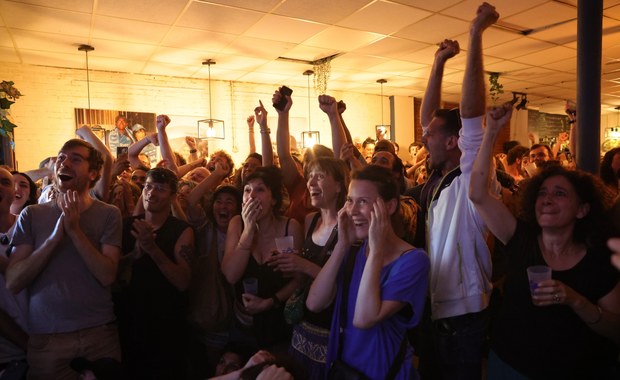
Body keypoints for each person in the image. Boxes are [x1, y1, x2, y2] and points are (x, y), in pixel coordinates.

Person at [470, 103, 620, 379]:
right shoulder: (520, 239)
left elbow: (616, 329)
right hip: (510, 366)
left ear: (582, 209)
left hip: (577, 371)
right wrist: (490, 131)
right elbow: (478, 194)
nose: (547, 199)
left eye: (560, 193)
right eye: (542, 193)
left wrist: (575, 301)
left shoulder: (599, 259)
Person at [415, 4, 500, 379]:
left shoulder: (472, 175)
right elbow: (429, 120)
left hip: (464, 313)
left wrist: (475, 33)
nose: (423, 139)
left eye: (431, 136)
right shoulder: (439, 178)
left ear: (454, 142)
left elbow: (470, 116)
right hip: (438, 308)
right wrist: (437, 64)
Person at [6, 139, 122, 379]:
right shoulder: (32, 214)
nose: (64, 162)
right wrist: (54, 238)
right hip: (48, 340)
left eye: (75, 159)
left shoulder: (109, 214)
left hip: (98, 335)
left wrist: (75, 231)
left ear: (93, 173)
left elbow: (107, 275)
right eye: (61, 158)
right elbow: (14, 281)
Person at [306, 165, 429, 379]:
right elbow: (314, 303)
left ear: (389, 206)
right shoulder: (353, 250)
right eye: (350, 201)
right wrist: (342, 244)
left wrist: (376, 249)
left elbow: (365, 318)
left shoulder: (413, 261)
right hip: (344, 369)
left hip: (384, 372)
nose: (352, 211)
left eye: (363, 201)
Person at [268, 157, 349, 378]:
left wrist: (303, 264)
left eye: (320, 176)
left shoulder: (348, 226)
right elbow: (306, 276)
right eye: (310, 176)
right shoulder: (311, 220)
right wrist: (292, 263)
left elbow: (346, 282)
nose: (311, 182)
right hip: (303, 328)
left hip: (332, 330)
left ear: (340, 185)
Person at [118, 167, 194, 379]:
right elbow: (111, 273)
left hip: (166, 321)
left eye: (160, 189)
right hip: (129, 316)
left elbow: (183, 282)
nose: (151, 193)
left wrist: (152, 248)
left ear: (172, 196)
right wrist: (134, 255)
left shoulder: (181, 230)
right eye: (149, 187)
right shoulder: (126, 225)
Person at [222, 166, 303, 351]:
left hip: (279, 323)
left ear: (273, 199)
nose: (251, 196)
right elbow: (231, 276)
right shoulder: (237, 224)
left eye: (260, 190)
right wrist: (249, 230)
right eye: (247, 190)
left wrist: (270, 302)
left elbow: (298, 280)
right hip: (243, 325)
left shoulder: (290, 227)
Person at [0, 168, 28, 380]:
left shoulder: (31, 226)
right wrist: (27, 344)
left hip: (44, 342)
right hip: (7, 355)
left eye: (5, 182)